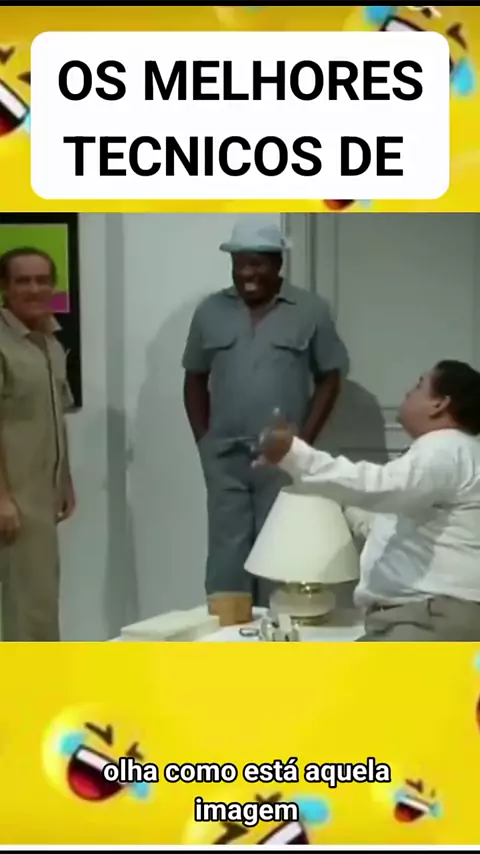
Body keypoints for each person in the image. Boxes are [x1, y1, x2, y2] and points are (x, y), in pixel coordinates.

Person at [182, 220, 349, 610]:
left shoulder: (310, 310)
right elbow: (194, 378)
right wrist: (204, 440)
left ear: (277, 264)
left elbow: (330, 377)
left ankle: (278, 631)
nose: (246, 273)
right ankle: (227, 631)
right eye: (239, 263)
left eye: (257, 264)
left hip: (282, 457)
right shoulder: (210, 311)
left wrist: (302, 442)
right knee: (226, 552)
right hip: (224, 457)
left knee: (280, 548)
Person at [257, 360, 480, 642]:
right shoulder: (451, 454)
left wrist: (294, 455)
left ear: (440, 404)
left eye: (419, 385)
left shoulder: (445, 448)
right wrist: (337, 498)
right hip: (423, 617)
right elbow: (386, 522)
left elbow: (380, 488)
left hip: (428, 620)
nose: (408, 392)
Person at [0, 247, 76, 641]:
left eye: (43, 280)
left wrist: (65, 481)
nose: (34, 289)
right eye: (23, 281)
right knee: (26, 610)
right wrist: (2, 498)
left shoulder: (49, 342)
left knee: (40, 600)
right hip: (14, 500)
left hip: (41, 499)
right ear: (5, 287)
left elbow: (55, 417)